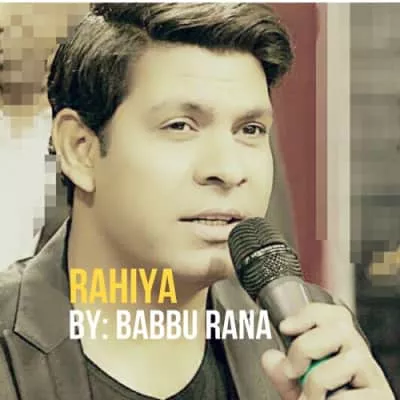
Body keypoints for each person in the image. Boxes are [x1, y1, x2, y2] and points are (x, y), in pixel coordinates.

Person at [0, 4, 395, 399]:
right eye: (180, 126)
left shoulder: (313, 340)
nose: (228, 169)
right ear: (80, 149)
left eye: (250, 129)